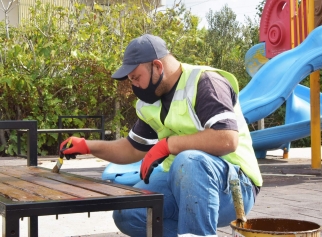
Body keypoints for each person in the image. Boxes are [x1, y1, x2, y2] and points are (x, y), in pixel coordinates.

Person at [60, 34, 263, 237]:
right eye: (131, 80)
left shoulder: (205, 82)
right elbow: (132, 148)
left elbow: (227, 139)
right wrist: (87, 146)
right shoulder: (154, 100)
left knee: (189, 160)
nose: (134, 86)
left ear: (157, 66)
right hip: (180, 180)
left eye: (136, 77)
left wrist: (168, 145)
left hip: (235, 186)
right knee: (129, 213)